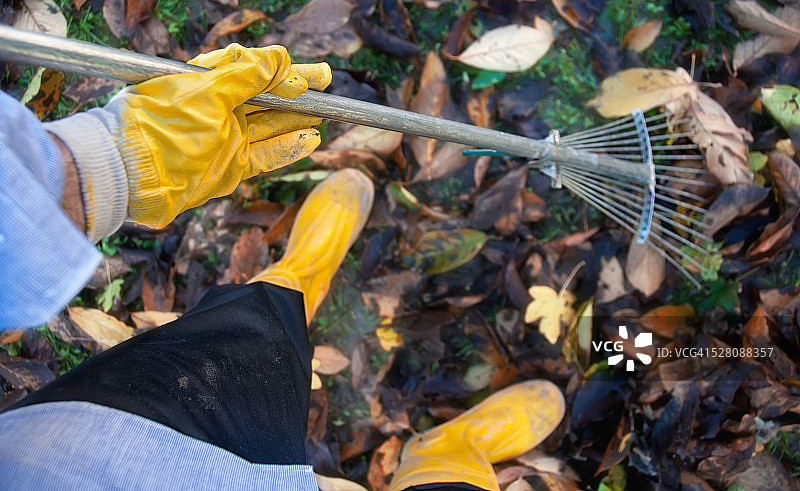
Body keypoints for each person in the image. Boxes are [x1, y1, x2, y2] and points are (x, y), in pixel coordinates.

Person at [0, 43, 564, 490]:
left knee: (257, 331)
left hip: (118, 450)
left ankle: (300, 273)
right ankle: (448, 455)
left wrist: (104, 166)